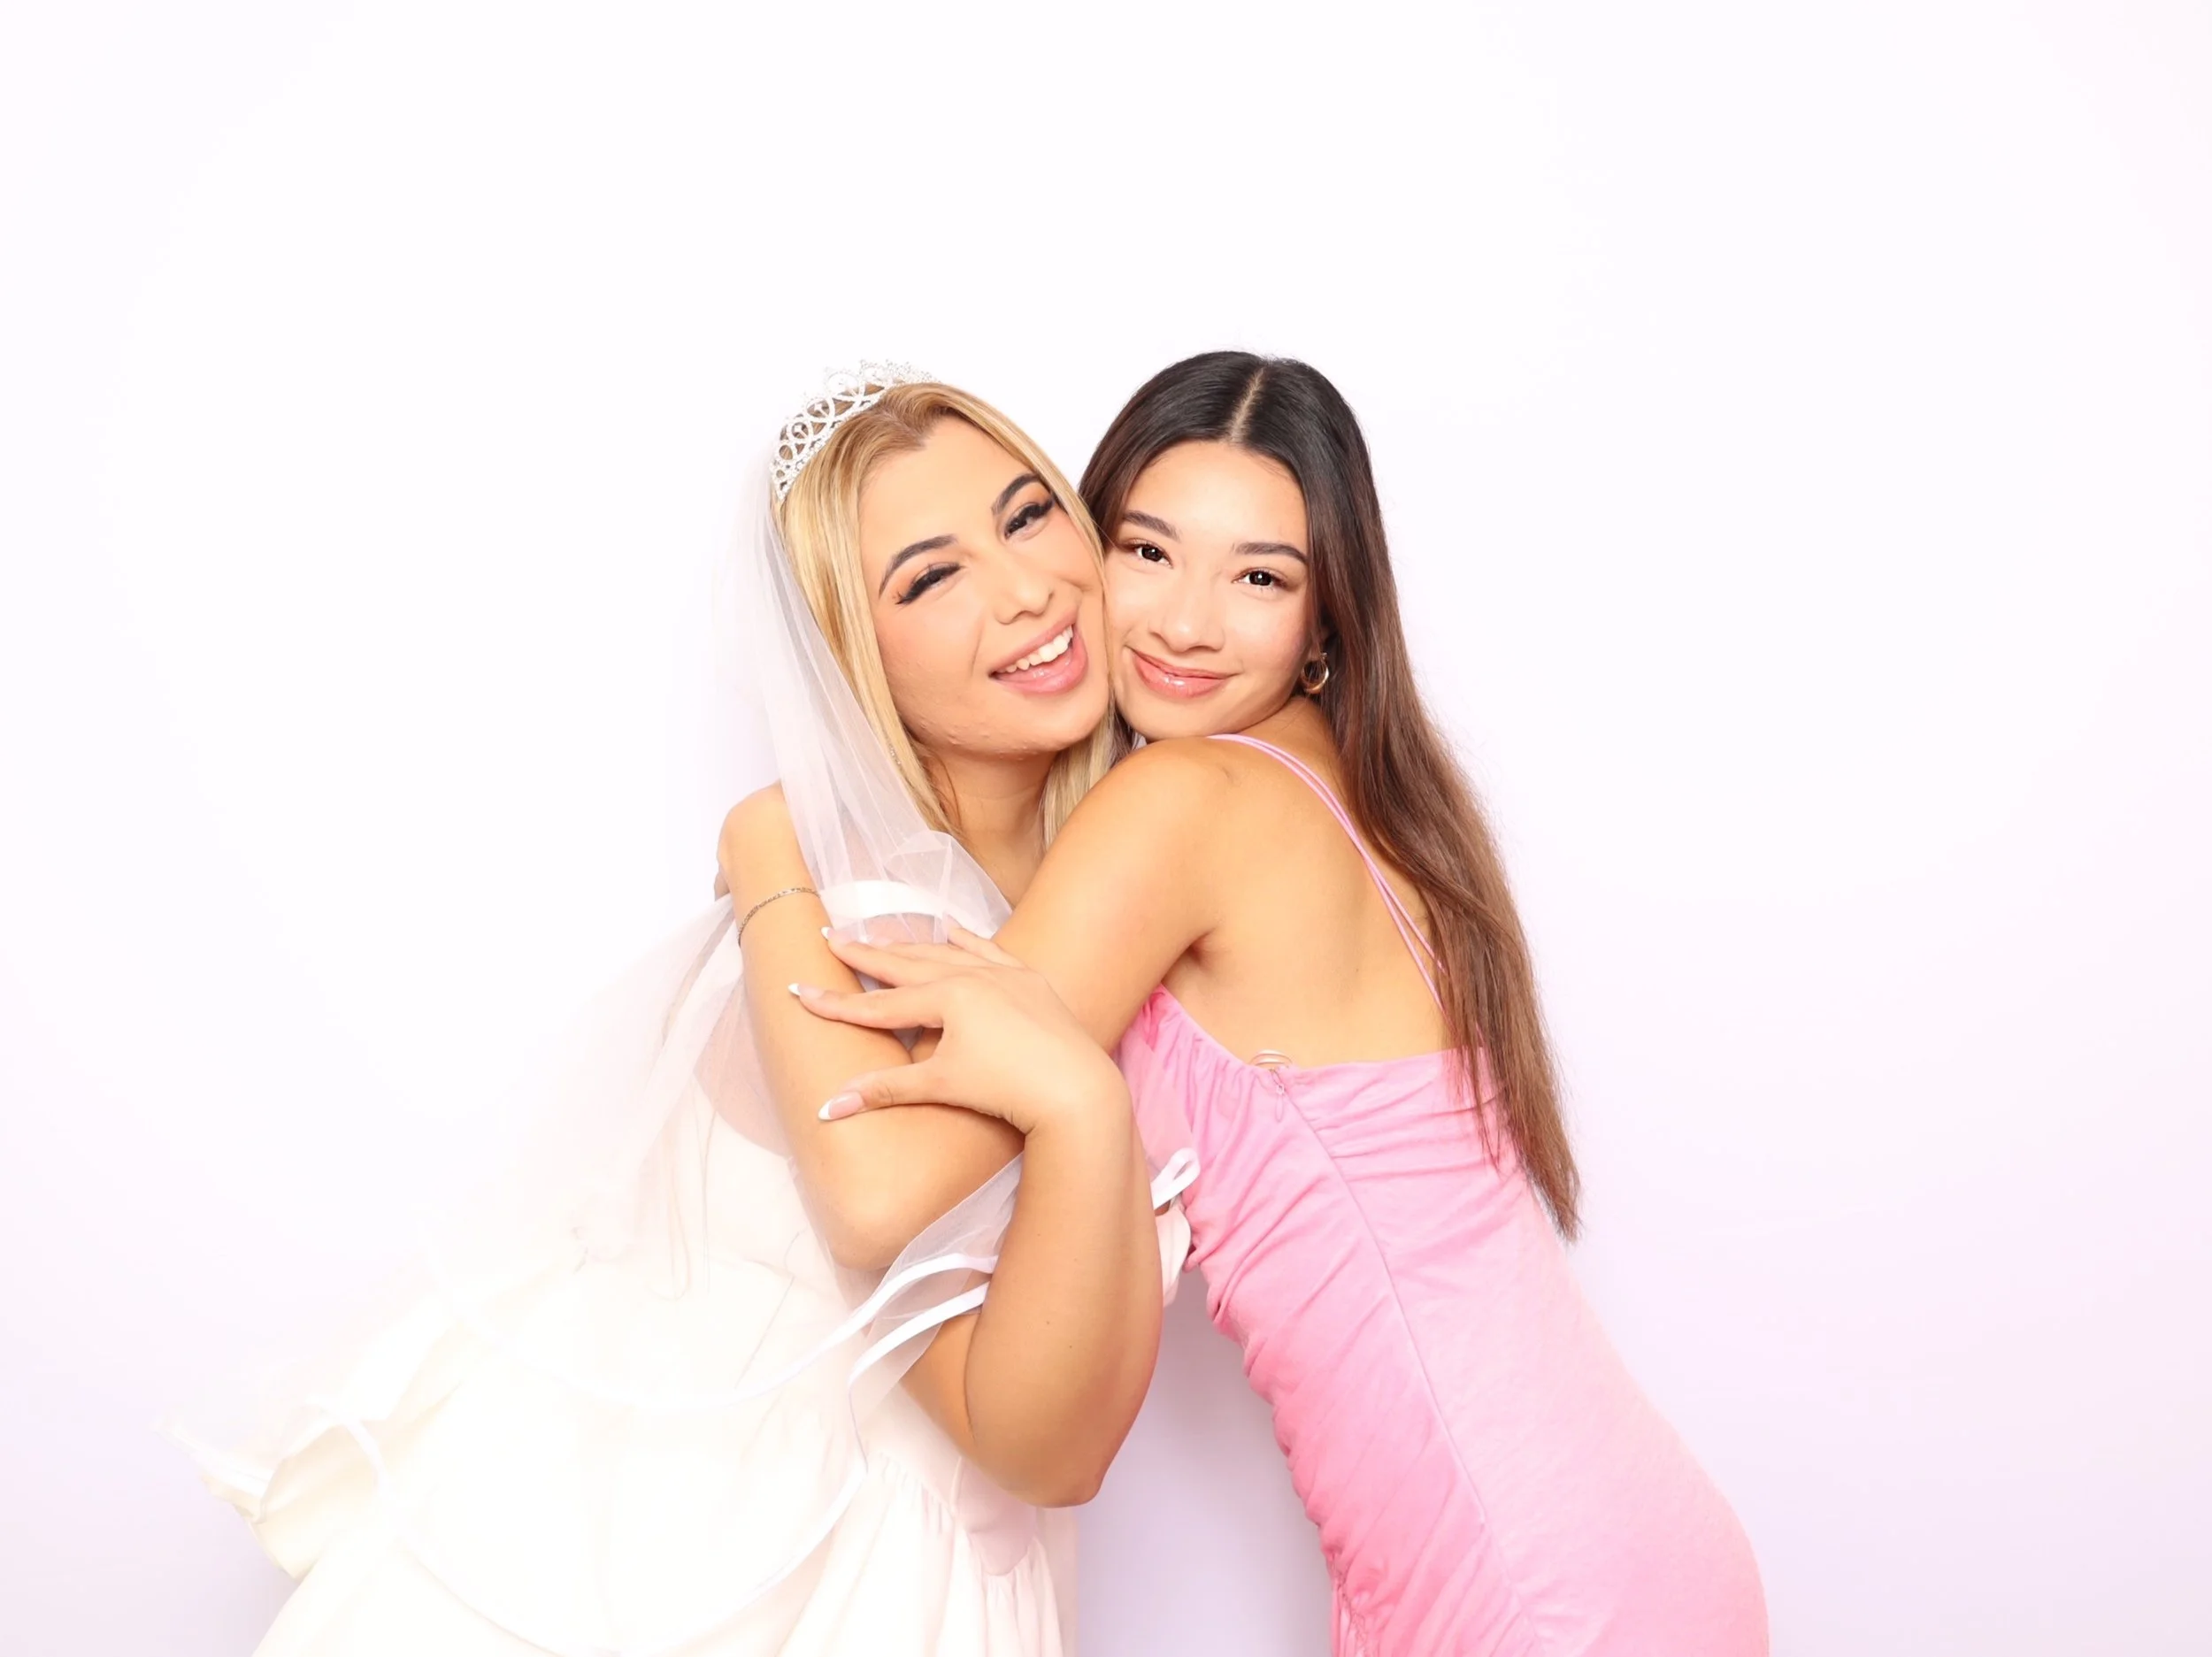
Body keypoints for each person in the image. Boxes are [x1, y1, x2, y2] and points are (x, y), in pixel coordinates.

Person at [167, 366, 1195, 1656]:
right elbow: (892, 1222)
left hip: (939, 1552)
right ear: (846, 651)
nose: (1029, 589)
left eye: (1031, 515)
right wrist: (772, 850)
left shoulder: (1115, 895)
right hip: (704, 1561)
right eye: (929, 578)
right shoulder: (867, 915)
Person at [793, 352, 1771, 1657]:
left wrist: (765, 852)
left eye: (1259, 577)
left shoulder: (1186, 806)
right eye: (1148, 552)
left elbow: (884, 1178)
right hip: (1609, 1546)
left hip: (1522, 1587)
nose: (1187, 623)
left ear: (1326, 622)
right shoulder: (1357, 794)